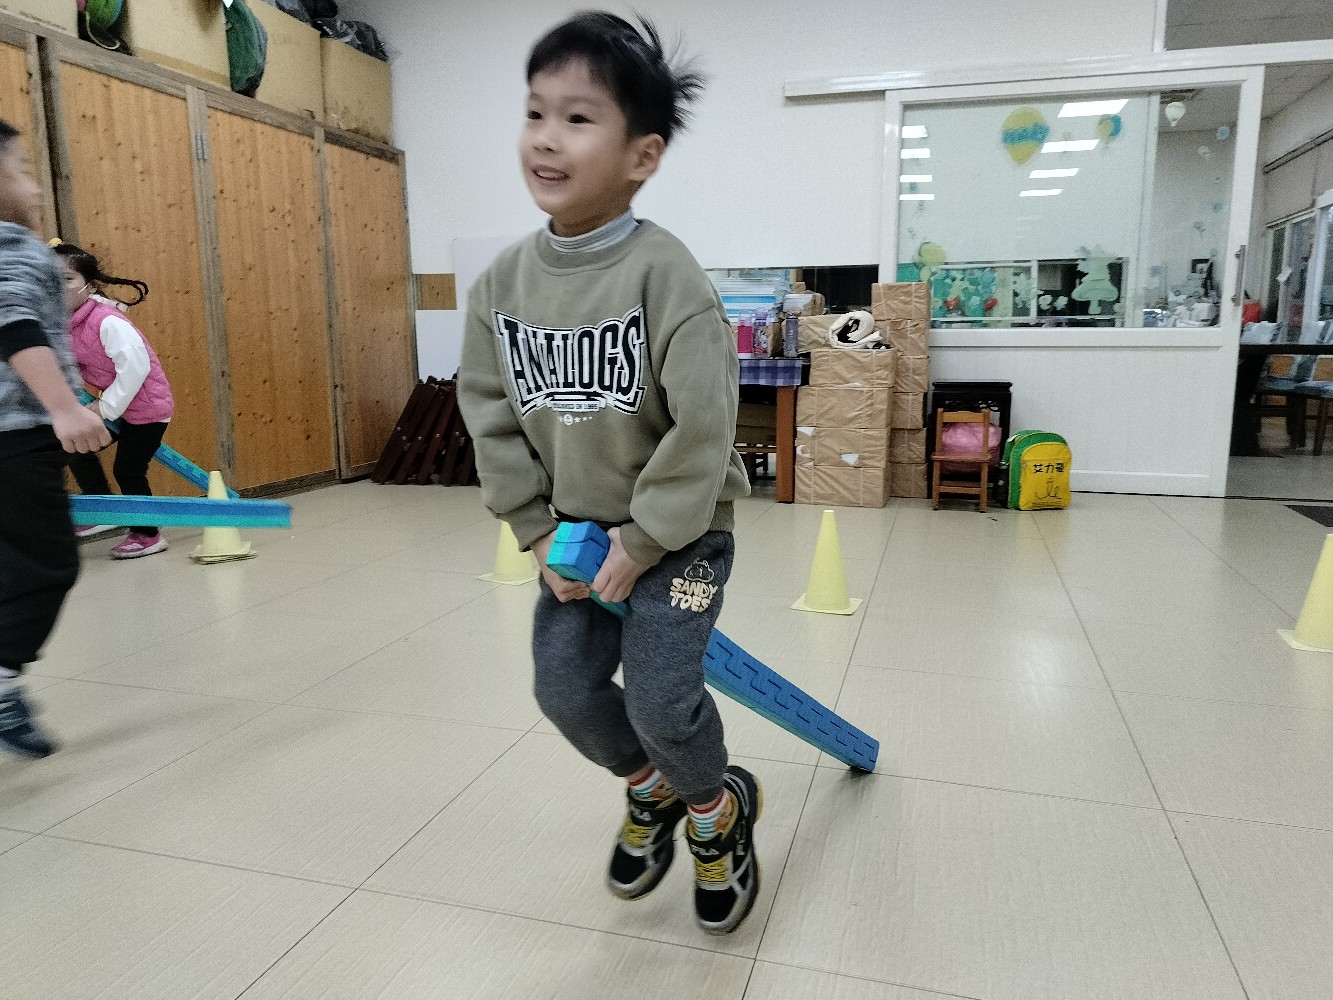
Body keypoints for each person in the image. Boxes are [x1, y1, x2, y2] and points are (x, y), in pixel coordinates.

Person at [457, 13, 760, 935]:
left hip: (683, 537)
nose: (546, 138)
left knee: (663, 704)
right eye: (534, 112)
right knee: (564, 692)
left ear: (642, 156)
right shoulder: (500, 285)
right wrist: (535, 531)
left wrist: (647, 536)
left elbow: (704, 428)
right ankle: (651, 789)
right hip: (573, 536)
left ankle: (715, 811)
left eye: (578, 118)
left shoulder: (668, 278)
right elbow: (490, 415)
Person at [0, 118, 111, 757]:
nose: (33, 186)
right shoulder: (13, 245)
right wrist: (66, 409)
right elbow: (12, 322)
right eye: (20, 170)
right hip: (16, 436)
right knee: (47, 564)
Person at [54, 242, 175, 558]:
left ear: (91, 286)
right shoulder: (69, 323)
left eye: (67, 279)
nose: (58, 287)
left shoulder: (107, 321)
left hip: (148, 409)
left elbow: (136, 368)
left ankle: (148, 535)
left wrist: (104, 407)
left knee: (128, 470)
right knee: (75, 444)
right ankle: (103, 511)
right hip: (119, 406)